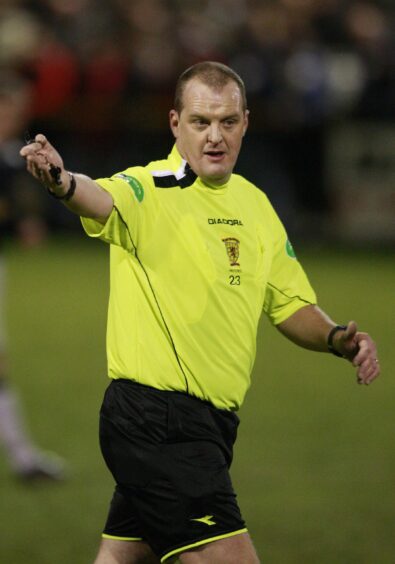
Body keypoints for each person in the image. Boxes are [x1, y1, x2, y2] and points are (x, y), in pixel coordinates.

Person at [20, 61, 380, 563]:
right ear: (175, 124)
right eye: (200, 122)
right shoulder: (151, 187)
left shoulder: (255, 206)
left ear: (245, 123)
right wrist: (60, 181)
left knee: (123, 557)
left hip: (209, 428)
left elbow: (289, 302)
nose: (215, 136)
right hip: (156, 421)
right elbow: (97, 196)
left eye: (228, 122)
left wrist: (337, 337)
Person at [0, 73, 66, 482]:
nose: (14, 116)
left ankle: (23, 456)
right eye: (9, 107)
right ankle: (23, 457)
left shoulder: (9, 156)